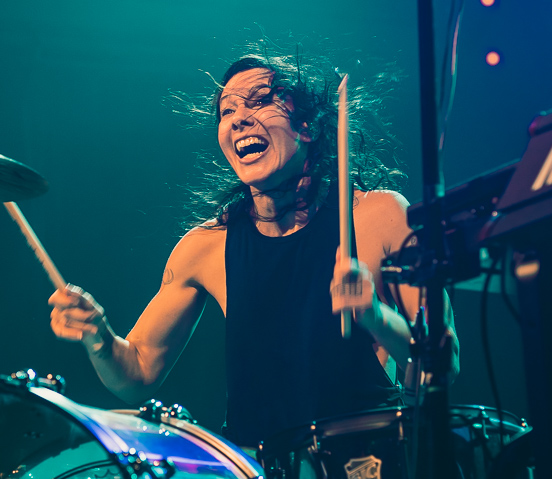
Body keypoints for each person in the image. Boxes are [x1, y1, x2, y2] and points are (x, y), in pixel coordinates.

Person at [48, 49, 459, 449]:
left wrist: (376, 316)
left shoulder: (380, 215)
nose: (239, 118)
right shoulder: (206, 246)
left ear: (309, 126)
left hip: (367, 477)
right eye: (227, 111)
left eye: (260, 102)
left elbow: (444, 362)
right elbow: (137, 372)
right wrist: (100, 338)